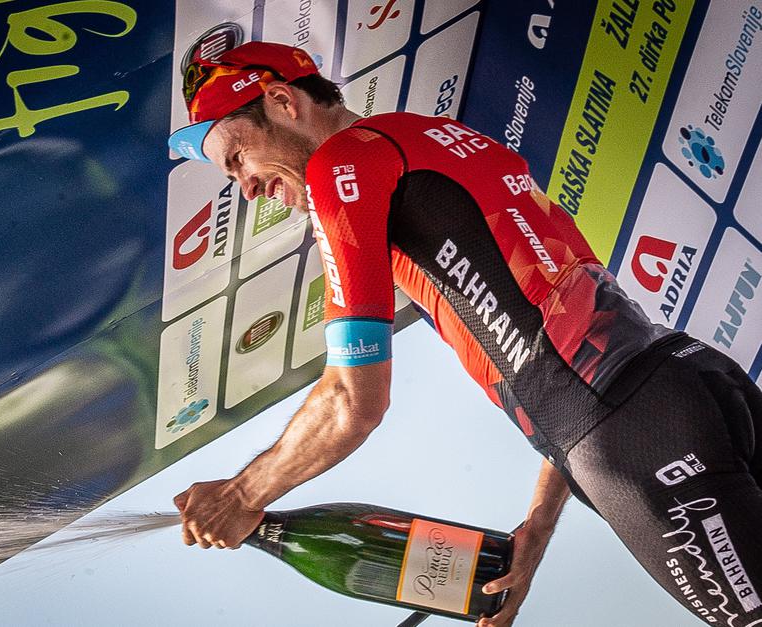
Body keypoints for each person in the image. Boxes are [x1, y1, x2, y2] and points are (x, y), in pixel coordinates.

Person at [169, 41, 762, 627]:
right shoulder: (430, 137)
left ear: (282, 102)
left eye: (238, 158)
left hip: (623, 428)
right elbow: (565, 342)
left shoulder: (340, 167)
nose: (247, 187)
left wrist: (241, 496)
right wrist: (538, 525)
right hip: (688, 375)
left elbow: (353, 401)